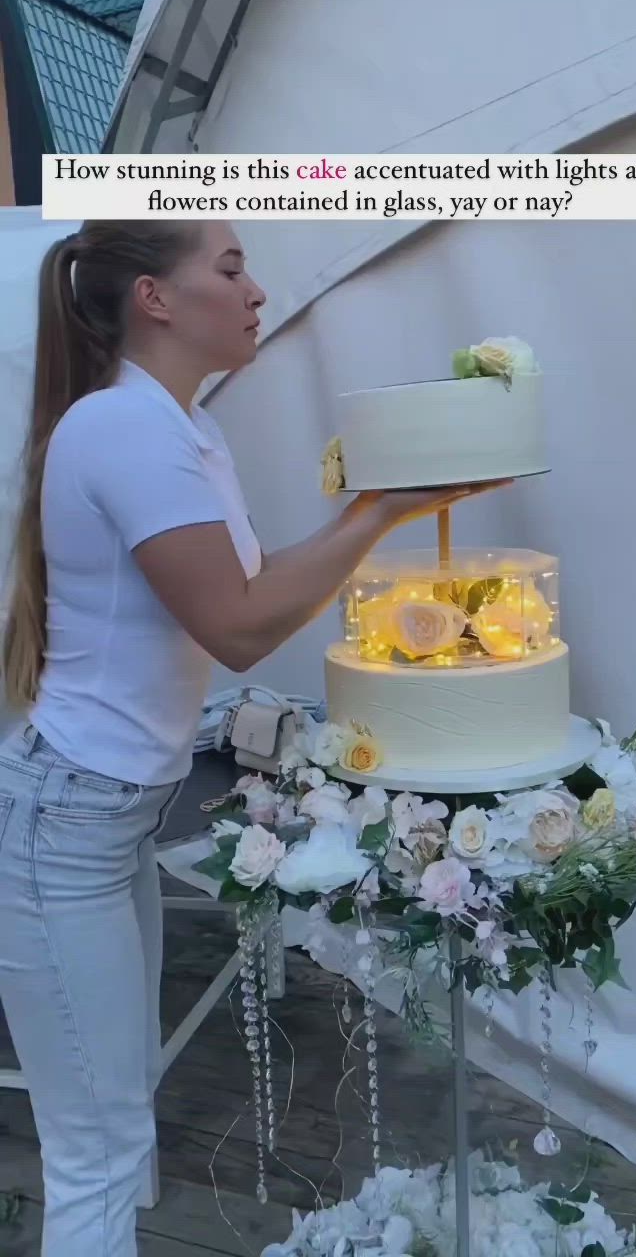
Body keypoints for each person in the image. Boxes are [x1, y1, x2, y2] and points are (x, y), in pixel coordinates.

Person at [0, 220, 510, 1256]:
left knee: (117, 1112)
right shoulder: (123, 428)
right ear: (154, 296)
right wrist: (373, 516)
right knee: (98, 1150)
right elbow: (234, 623)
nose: (257, 289)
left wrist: (387, 505)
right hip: (62, 824)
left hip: (102, 818)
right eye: (230, 269)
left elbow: (239, 576)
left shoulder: (179, 428)